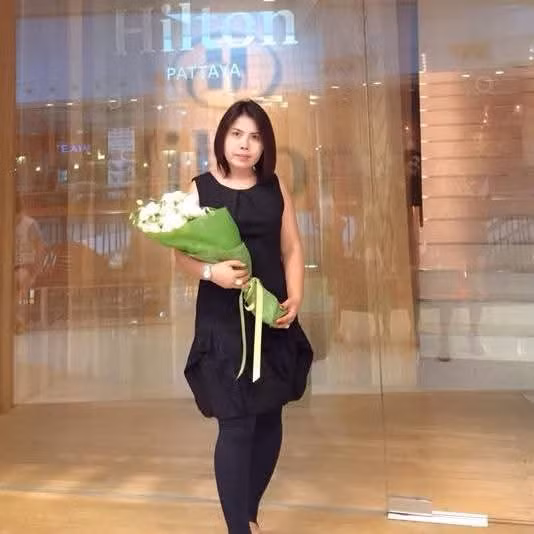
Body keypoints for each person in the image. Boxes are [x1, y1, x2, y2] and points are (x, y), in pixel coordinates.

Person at [174, 100, 313, 534]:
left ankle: (249, 515)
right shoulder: (200, 189)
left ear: (265, 145)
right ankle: (239, 528)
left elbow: (291, 247)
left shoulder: (275, 187)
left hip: (271, 316)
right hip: (223, 321)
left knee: (269, 418)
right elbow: (180, 254)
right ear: (222, 138)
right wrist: (210, 273)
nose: (245, 144)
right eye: (237, 134)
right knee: (235, 423)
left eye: (255, 137)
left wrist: (296, 296)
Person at [14, 196, 46, 332]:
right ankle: (15, 318)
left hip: (27, 265)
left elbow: (40, 249)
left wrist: (35, 271)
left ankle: (19, 318)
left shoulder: (30, 224)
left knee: (19, 280)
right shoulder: (5, 224)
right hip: (11, 266)